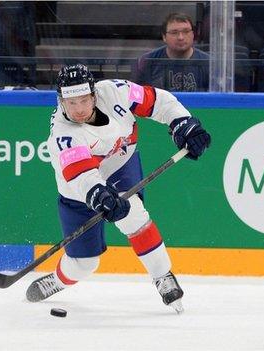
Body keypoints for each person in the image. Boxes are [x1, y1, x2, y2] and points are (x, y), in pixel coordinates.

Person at [25, 64, 211, 313]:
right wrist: (99, 194)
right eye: (71, 103)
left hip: (121, 164)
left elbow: (158, 101)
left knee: (133, 214)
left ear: (93, 94)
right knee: (84, 264)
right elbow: (82, 177)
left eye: (84, 100)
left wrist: (183, 123)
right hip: (79, 189)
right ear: (61, 101)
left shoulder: (115, 91)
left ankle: (162, 275)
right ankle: (57, 280)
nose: (79, 109)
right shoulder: (62, 134)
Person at [135, 13, 209, 92]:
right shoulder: (147, 62)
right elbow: (138, 97)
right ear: (164, 37)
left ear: (193, 34)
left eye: (186, 31)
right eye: (174, 33)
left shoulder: (209, 63)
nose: (181, 37)